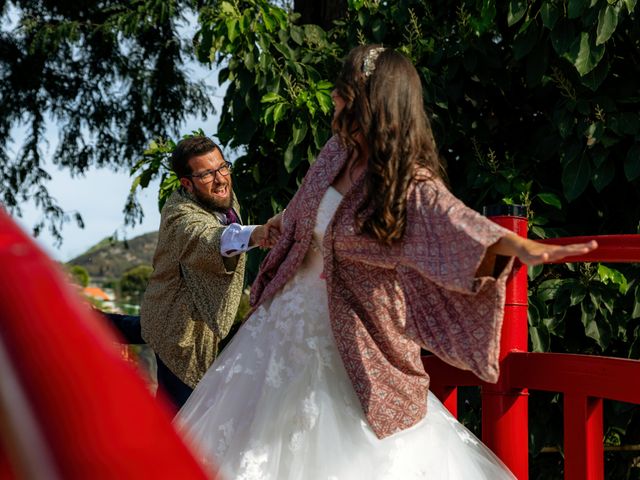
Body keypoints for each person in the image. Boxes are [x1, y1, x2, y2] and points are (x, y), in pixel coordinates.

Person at [176, 46, 597, 478]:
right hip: (284, 325)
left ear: (371, 100)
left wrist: (518, 247)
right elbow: (303, 211)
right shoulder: (334, 152)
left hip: (359, 335)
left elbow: (452, 222)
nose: (336, 98)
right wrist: (275, 227)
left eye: (344, 91)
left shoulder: (406, 179)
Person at [140, 135, 270, 411]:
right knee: (182, 424)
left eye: (223, 167)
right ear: (186, 183)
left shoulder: (219, 196)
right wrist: (257, 233)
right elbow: (207, 238)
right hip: (178, 331)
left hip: (203, 320)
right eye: (207, 174)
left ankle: (99, 320)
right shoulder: (180, 216)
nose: (221, 179)